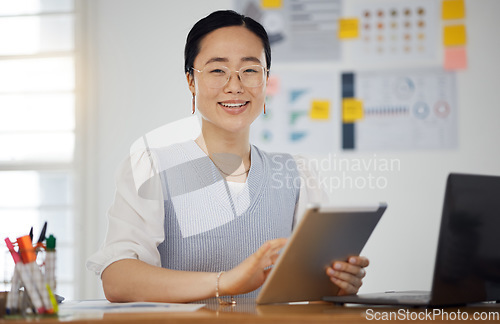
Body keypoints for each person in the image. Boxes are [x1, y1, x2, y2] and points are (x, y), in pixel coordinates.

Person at [87, 10, 369, 303]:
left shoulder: (295, 173)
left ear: (266, 79)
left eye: (249, 70)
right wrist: (229, 281)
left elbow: (309, 288)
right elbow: (117, 281)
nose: (235, 86)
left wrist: (337, 284)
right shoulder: (152, 168)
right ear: (191, 81)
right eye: (217, 70)